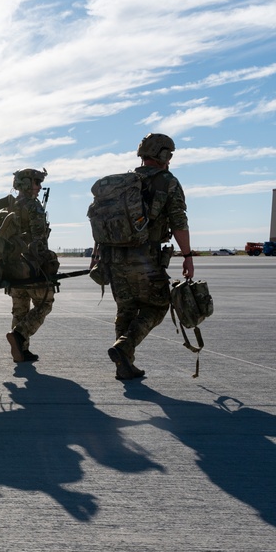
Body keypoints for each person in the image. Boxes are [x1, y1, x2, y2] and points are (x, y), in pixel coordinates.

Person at [102, 133, 194, 380]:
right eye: (170, 154)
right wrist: (187, 256)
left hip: (115, 258)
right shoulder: (168, 182)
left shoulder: (122, 183)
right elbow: (179, 223)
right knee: (157, 305)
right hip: (147, 260)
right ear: (163, 155)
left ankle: (125, 365)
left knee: (126, 310)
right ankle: (125, 347)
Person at [3, 167, 55, 363]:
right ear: (26, 183)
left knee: (20, 309)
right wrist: (46, 263)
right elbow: (39, 238)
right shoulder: (33, 206)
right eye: (36, 182)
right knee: (45, 303)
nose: (39, 187)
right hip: (32, 265)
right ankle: (20, 334)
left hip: (14, 266)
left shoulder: (11, 205)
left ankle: (21, 351)